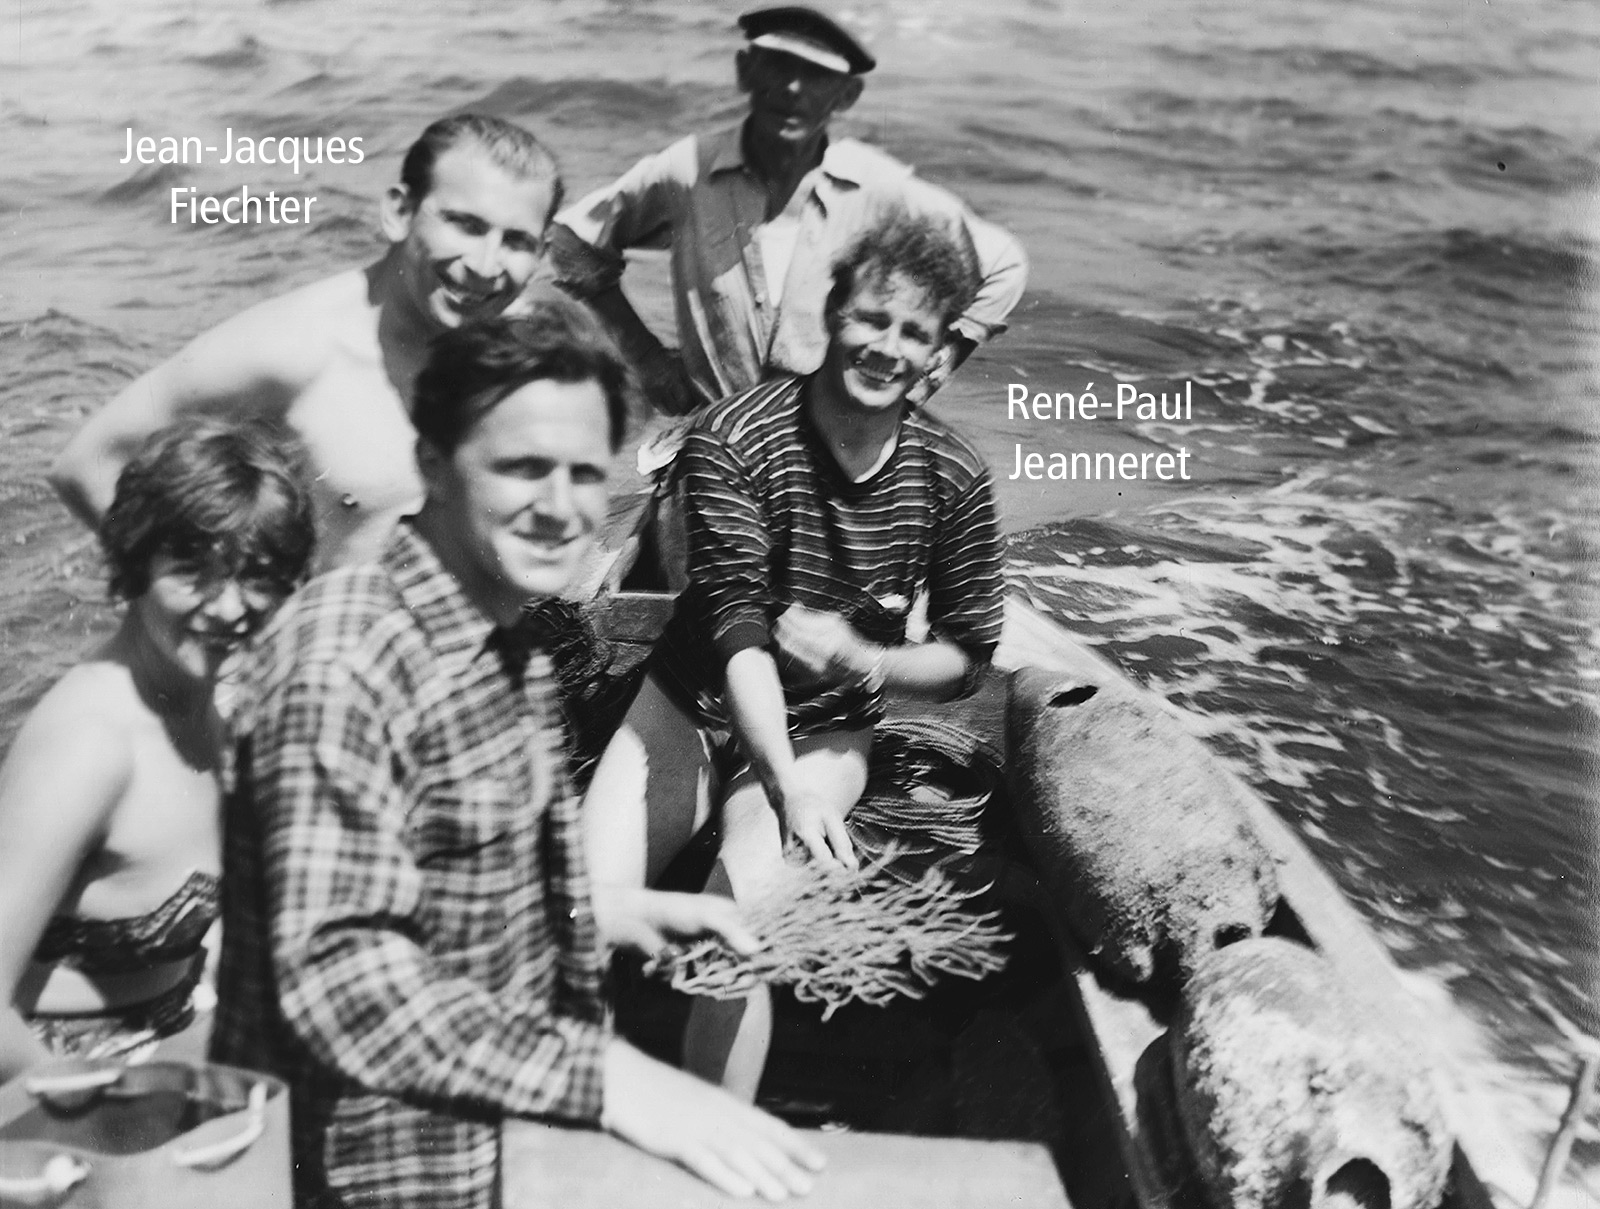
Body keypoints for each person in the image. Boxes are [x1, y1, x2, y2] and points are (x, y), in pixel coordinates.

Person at [210, 300, 824, 1209]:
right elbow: (338, 981)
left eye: (584, 473)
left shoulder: (509, 652)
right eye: (521, 466)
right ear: (431, 464)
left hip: (476, 1155)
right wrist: (616, 1081)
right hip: (353, 1172)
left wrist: (605, 911)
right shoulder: (344, 661)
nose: (560, 506)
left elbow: (450, 894)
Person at [583, 211, 1007, 1099]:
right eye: (871, 318)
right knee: (585, 908)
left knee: (746, 926)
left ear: (938, 353)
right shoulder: (733, 437)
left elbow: (966, 656)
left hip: (828, 731)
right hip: (695, 696)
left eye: (913, 333)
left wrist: (869, 659)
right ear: (831, 310)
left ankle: (713, 1162)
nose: (885, 347)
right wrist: (777, 782)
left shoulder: (955, 476)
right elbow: (736, 630)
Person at [51, 113, 564, 573]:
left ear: (539, 253)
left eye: (516, 241)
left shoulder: (519, 355)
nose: (485, 265)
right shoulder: (294, 350)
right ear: (399, 213)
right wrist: (211, 633)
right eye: (465, 225)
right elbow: (88, 466)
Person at [0, 419, 314, 1080]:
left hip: (174, 1036)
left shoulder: (217, 704)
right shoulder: (90, 745)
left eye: (257, 576)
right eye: (191, 571)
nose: (229, 607)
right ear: (133, 565)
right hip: (54, 1080)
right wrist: (108, 1102)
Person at [548, 5, 1027, 413]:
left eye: (817, 75)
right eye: (778, 65)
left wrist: (940, 360)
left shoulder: (877, 186)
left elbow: (1004, 262)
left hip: (833, 449)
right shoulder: (689, 168)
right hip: (715, 440)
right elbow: (574, 239)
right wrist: (646, 358)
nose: (793, 88)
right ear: (745, 70)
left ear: (847, 96)